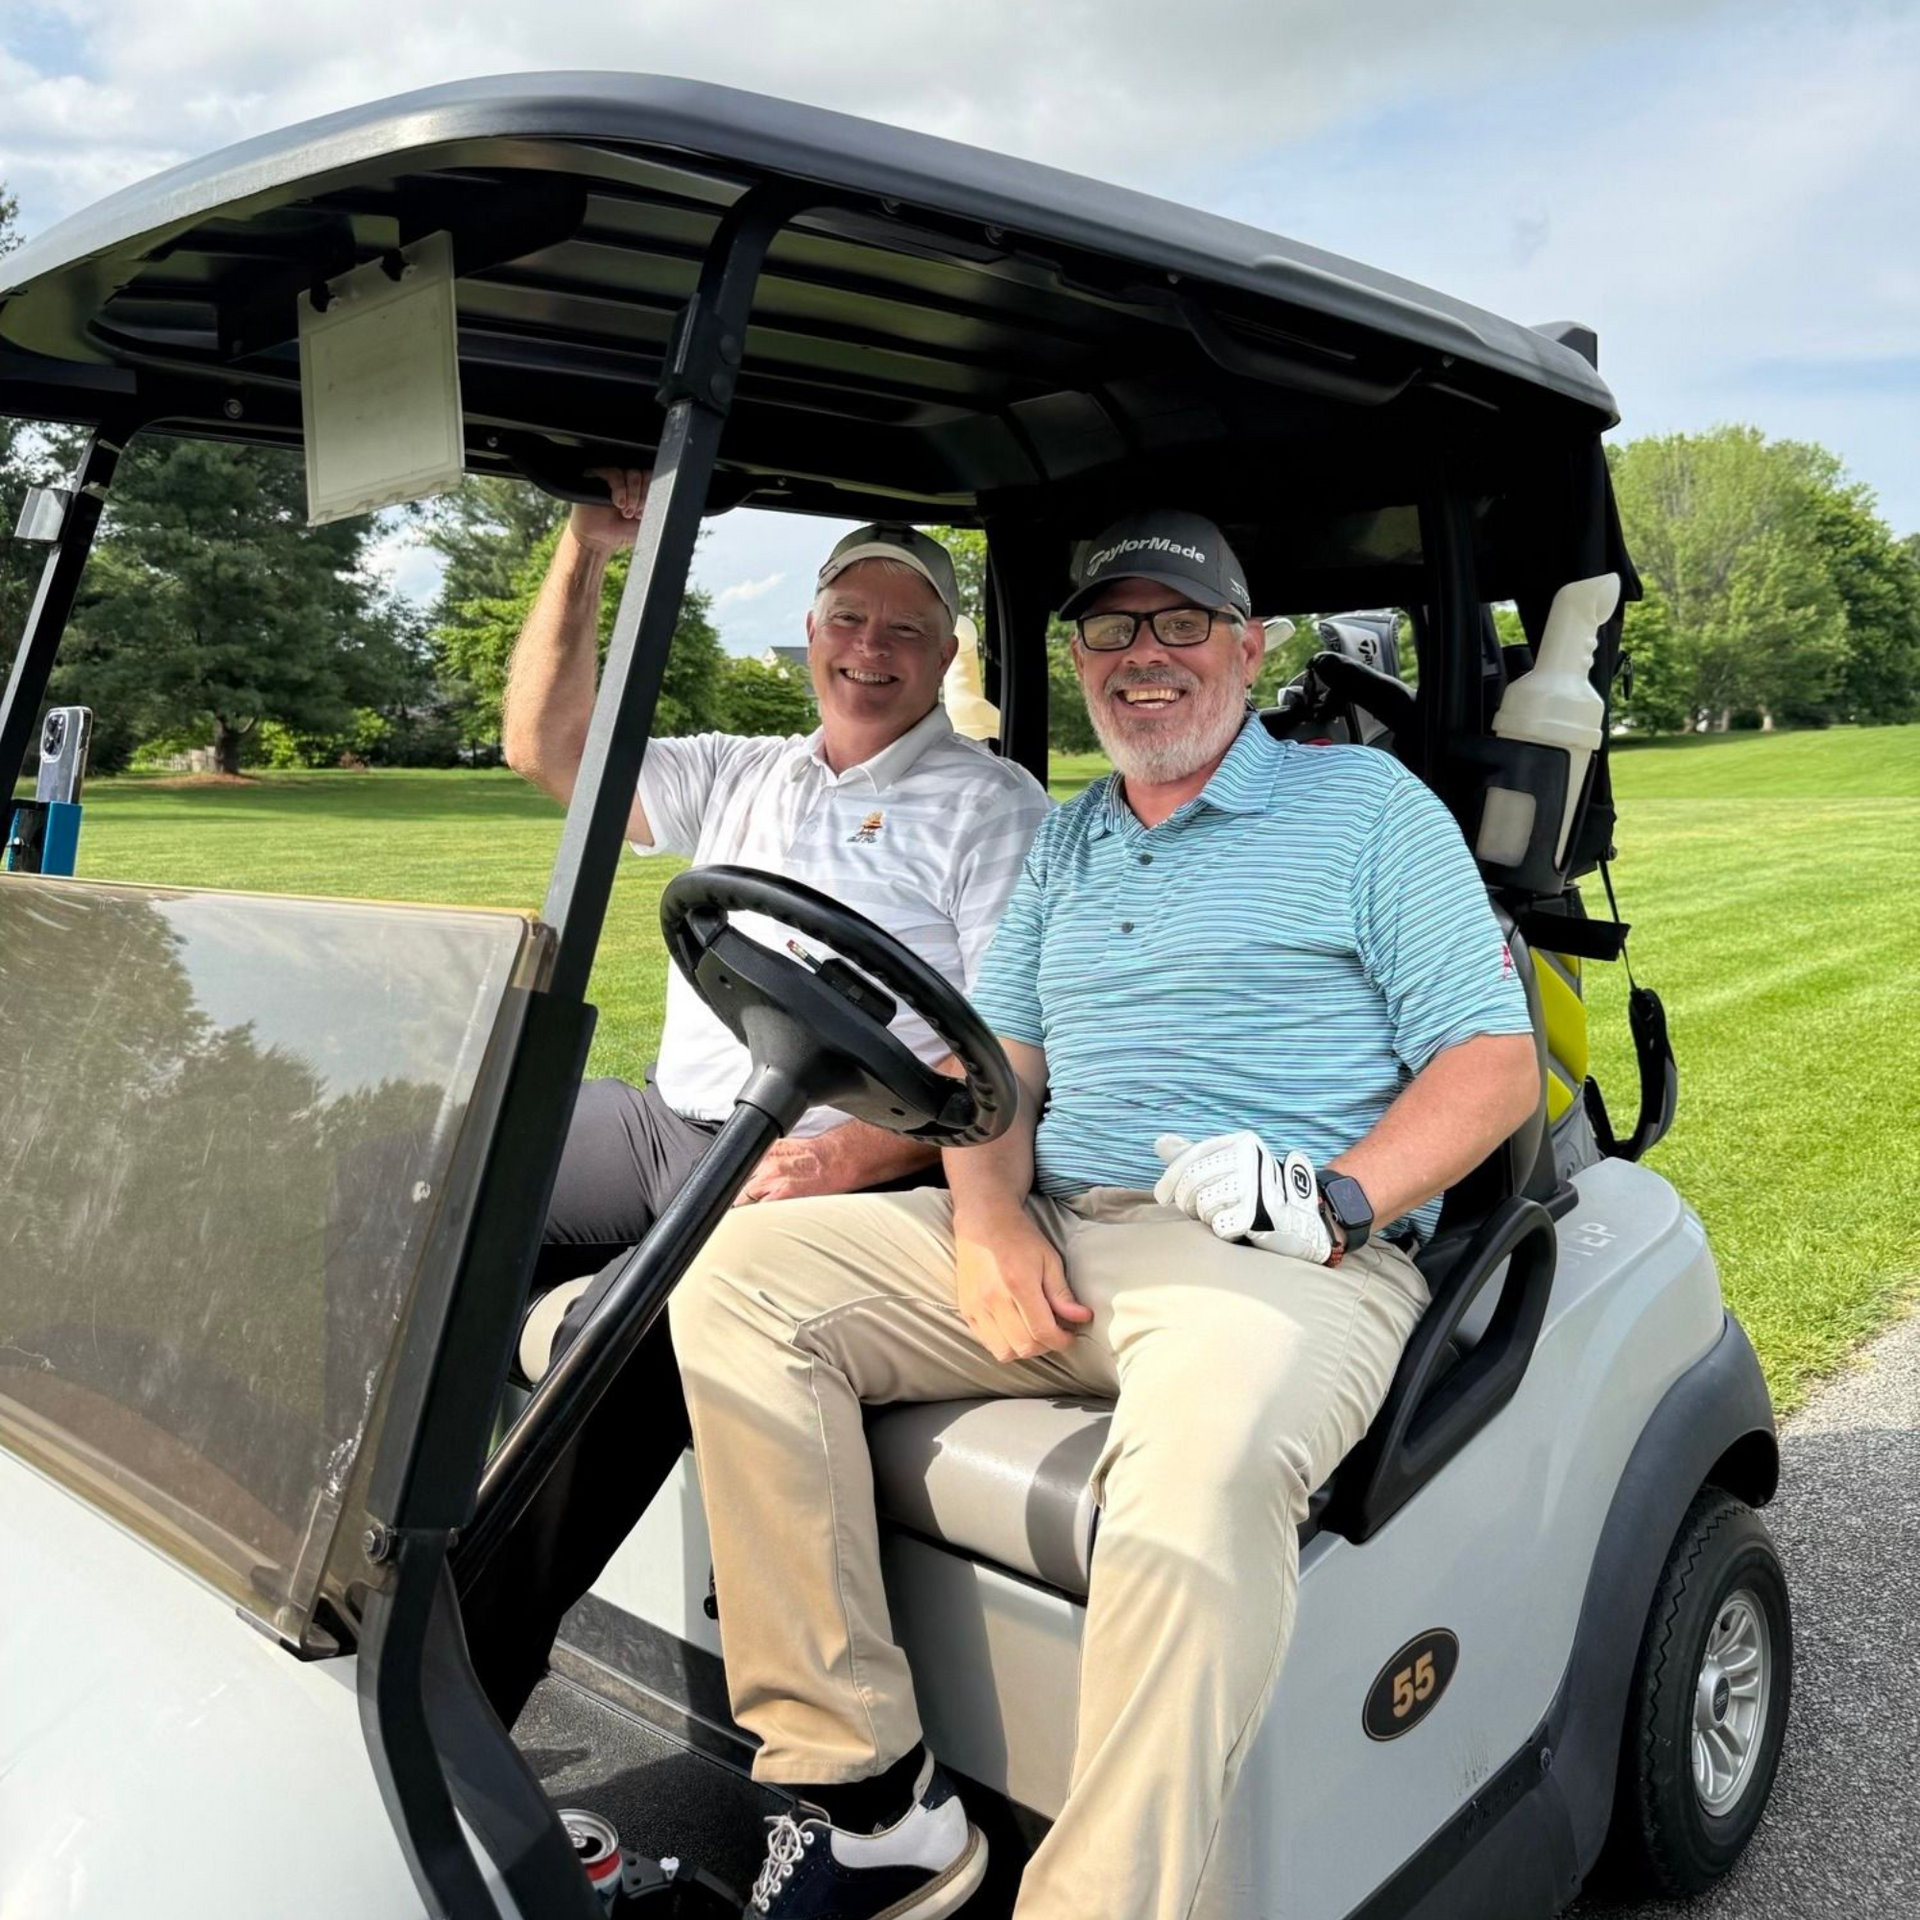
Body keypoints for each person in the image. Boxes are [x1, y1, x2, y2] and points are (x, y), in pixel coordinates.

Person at [668, 509, 1542, 1919]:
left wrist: (1336, 1194)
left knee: (1192, 1490)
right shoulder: (1071, 838)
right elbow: (992, 1064)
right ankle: (867, 1795)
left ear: (1249, 650)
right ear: (1076, 659)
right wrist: (994, 1224)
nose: (1146, 658)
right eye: (1113, 630)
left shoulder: (1367, 813)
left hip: (1277, 1259)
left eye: (1180, 625)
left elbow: (1490, 1062)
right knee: (740, 1277)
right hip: (1071, 1221)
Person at [467, 476, 1049, 1722]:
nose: (871, 650)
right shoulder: (744, 771)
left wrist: (849, 1160)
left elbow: (1008, 1048)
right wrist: (582, 550)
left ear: (946, 653)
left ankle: (459, 1687)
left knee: (609, 1342)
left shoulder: (994, 806)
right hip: (677, 1128)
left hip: (835, 1169)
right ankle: (331, 1543)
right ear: (812, 634)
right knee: (433, 1171)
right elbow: (544, 749)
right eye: (849, 619)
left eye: (905, 629)